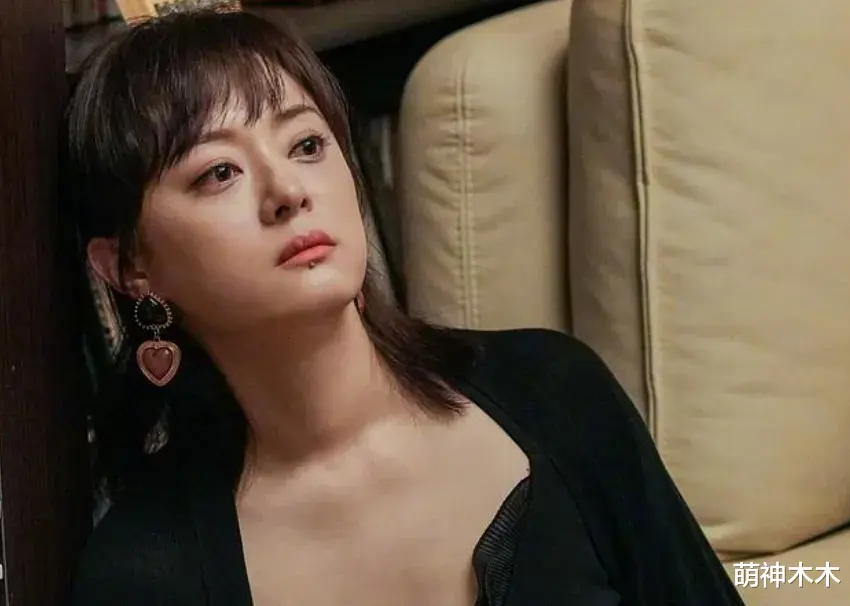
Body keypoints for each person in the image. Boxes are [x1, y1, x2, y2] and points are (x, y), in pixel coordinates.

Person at [64, 8, 745, 606]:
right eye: (219, 172)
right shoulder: (148, 574)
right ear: (130, 267)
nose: (288, 191)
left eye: (307, 144)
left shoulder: (557, 394)